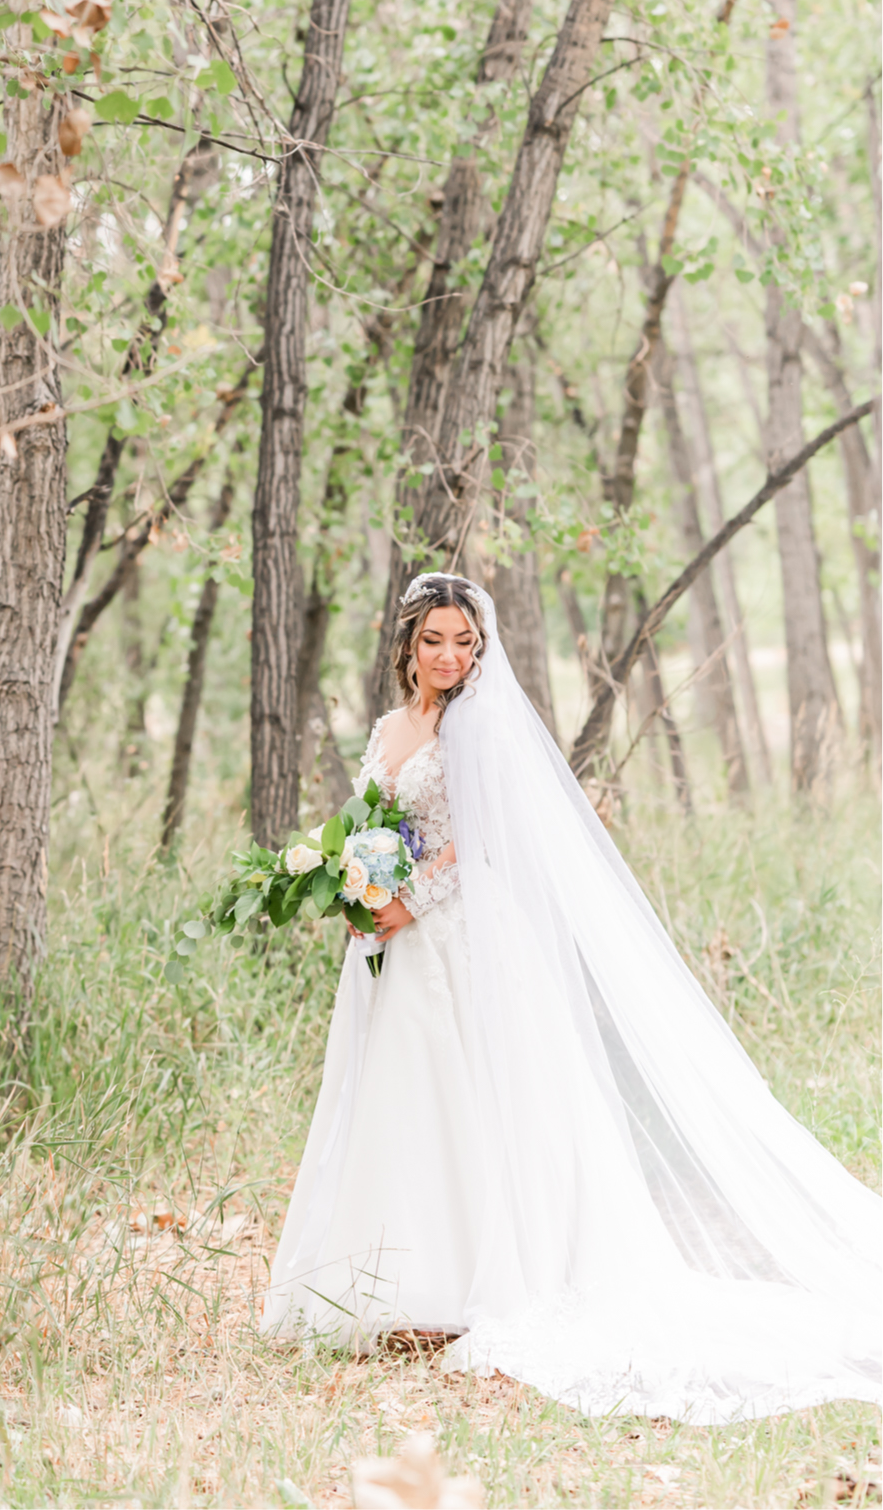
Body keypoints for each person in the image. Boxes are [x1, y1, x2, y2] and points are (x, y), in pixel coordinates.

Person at [260, 571, 881, 1423]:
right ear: (406, 644)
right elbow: (380, 828)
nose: (449, 656)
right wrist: (361, 891)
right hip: (394, 941)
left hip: (464, 934)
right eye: (434, 640)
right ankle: (397, 1285)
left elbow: (481, 840)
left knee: (479, 1100)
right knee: (405, 1102)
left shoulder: (478, 728)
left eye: (464, 643)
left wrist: (409, 902)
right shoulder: (390, 728)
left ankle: (490, 1277)